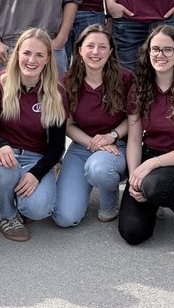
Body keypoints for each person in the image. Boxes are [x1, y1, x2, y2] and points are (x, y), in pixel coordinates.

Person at [0, 28, 68, 242]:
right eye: (26, 53)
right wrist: (0, 145)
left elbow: (57, 146)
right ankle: (7, 215)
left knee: (38, 209)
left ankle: (18, 198)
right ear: (17, 53)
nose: (32, 60)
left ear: (48, 59)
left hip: (34, 159)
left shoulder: (56, 92)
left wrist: (36, 173)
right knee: (5, 170)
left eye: (39, 55)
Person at [118, 24, 174, 245]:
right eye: (156, 49)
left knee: (154, 187)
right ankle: (154, 196)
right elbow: (134, 139)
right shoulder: (140, 86)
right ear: (148, 52)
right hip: (151, 154)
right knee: (132, 232)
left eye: (168, 49)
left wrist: (150, 165)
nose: (161, 55)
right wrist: (134, 177)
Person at [54, 25, 132, 226]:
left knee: (99, 169)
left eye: (102, 47)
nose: (96, 52)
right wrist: (93, 143)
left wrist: (111, 136)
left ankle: (109, 200)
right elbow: (67, 125)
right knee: (64, 218)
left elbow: (133, 120)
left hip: (116, 146)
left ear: (110, 51)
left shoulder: (125, 78)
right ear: (80, 50)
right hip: (82, 145)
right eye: (90, 46)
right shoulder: (67, 81)